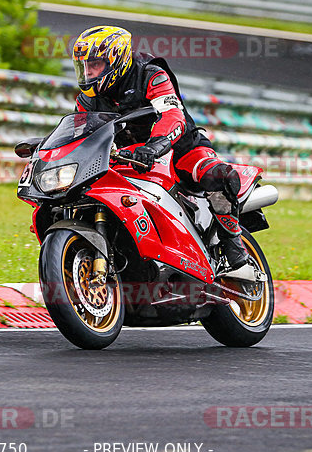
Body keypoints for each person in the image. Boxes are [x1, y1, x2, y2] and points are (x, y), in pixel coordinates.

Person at [71, 25, 251, 273]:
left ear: (116, 59)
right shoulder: (87, 99)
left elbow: (172, 114)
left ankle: (234, 246)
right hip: (127, 159)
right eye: (84, 66)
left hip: (180, 149)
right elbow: (79, 131)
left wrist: (157, 144)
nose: (88, 72)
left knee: (218, 177)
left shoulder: (151, 74)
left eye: (95, 65)